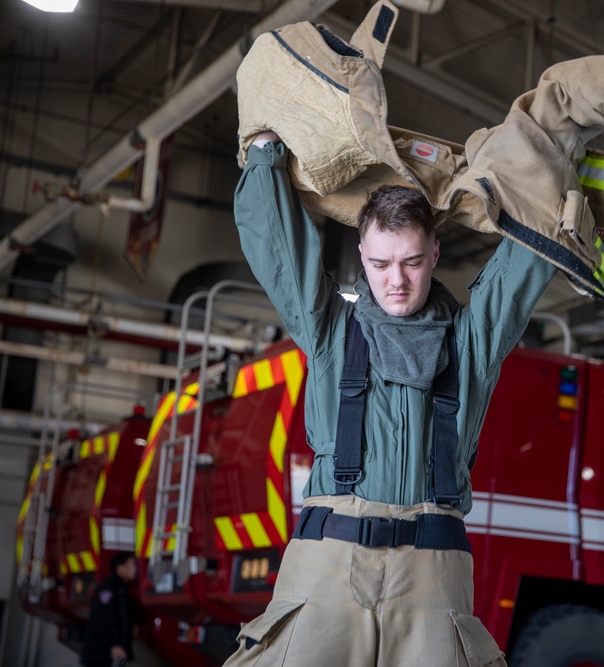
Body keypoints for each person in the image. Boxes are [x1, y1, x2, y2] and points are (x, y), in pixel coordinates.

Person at [222, 131, 557, 666]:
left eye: (411, 262)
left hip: (434, 579)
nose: (395, 281)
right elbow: (279, 253)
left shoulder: (471, 344)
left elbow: (530, 255)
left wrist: (554, 162)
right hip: (327, 568)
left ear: (435, 254)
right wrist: (264, 157)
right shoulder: (330, 330)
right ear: (361, 256)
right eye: (380, 265)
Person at [81, 551, 136, 667]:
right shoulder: (108, 590)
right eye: (131, 565)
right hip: (100, 655)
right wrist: (114, 644)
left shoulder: (121, 590)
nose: (134, 569)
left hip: (108, 655)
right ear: (120, 567)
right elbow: (102, 620)